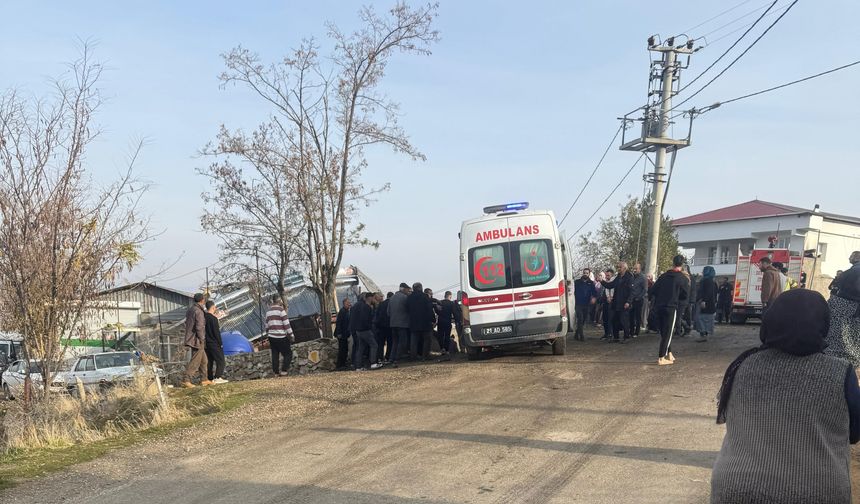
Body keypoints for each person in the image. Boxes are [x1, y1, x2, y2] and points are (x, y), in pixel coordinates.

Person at [711, 289, 860, 503]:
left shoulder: (743, 364)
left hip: (736, 488)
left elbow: (731, 419)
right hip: (816, 491)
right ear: (823, 325)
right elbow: (854, 433)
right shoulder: (840, 371)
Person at [649, 255, 689, 366]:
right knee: (668, 332)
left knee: (664, 332)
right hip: (671, 307)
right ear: (682, 264)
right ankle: (661, 357)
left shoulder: (663, 276)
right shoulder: (683, 278)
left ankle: (669, 353)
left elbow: (653, 290)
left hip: (659, 306)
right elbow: (685, 295)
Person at [825, 252, 860, 368]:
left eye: (852, 256)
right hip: (847, 363)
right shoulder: (854, 271)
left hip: (845, 307)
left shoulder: (851, 272)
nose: (849, 257)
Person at [600, 262, 634, 343]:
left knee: (624, 320)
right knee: (614, 320)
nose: (618, 269)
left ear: (625, 268)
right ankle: (616, 337)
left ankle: (627, 337)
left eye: (620, 267)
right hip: (616, 302)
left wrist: (628, 302)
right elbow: (610, 285)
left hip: (624, 302)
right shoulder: (618, 277)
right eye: (618, 267)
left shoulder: (629, 277)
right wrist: (602, 281)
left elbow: (632, 291)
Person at [182, 293, 211, 388]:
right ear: (202, 300)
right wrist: (202, 338)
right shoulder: (198, 311)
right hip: (197, 339)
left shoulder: (191, 310)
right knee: (196, 361)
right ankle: (186, 379)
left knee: (204, 360)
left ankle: (204, 379)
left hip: (192, 338)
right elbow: (199, 327)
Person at [350, 292, 381, 370]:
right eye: (373, 298)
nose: (374, 300)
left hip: (358, 330)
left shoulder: (358, 306)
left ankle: (358, 367)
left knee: (361, 348)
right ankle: (373, 363)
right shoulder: (366, 307)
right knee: (374, 345)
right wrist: (369, 327)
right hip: (365, 330)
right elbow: (366, 319)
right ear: (369, 298)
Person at [266, 295, 295, 377]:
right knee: (288, 353)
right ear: (279, 301)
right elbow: (287, 325)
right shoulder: (281, 311)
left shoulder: (268, 312)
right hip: (281, 336)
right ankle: (284, 370)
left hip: (271, 336)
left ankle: (276, 373)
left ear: (273, 301)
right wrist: (291, 335)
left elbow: (266, 326)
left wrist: (268, 334)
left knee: (275, 354)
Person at [407, 282, 435, 360]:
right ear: (421, 288)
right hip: (425, 322)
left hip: (413, 322)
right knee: (427, 339)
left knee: (414, 341)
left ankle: (413, 357)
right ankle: (425, 356)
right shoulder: (425, 296)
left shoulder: (409, 297)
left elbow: (407, 309)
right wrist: (432, 320)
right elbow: (429, 309)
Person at [204, 300, 227, 383]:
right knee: (221, 360)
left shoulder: (204, 317)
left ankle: (209, 378)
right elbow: (216, 332)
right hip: (214, 343)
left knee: (209, 361)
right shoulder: (213, 319)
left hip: (206, 343)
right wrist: (220, 343)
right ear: (213, 307)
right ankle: (217, 377)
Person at [388, 283, 411, 366]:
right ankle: (397, 358)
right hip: (403, 324)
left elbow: (388, 312)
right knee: (402, 342)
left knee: (395, 342)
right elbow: (409, 310)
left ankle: (391, 358)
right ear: (404, 289)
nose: (408, 291)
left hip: (393, 323)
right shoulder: (405, 298)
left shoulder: (392, 298)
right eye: (407, 289)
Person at [573, 268, 597, 341]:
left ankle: (577, 333)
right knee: (580, 319)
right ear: (582, 273)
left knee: (583, 320)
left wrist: (594, 298)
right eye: (584, 273)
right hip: (578, 304)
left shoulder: (591, 283)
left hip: (587, 304)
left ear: (589, 274)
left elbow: (594, 293)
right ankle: (582, 336)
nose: (585, 274)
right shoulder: (577, 282)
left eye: (587, 273)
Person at [695, 266, 717, 343]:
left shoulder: (707, 281)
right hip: (709, 304)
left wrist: (704, 301)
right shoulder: (712, 281)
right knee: (705, 319)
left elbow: (708, 292)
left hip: (705, 303)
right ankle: (704, 335)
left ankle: (703, 335)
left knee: (701, 319)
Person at [630, 263, 647, 337]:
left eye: (636, 269)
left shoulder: (643, 278)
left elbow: (645, 289)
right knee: (631, 316)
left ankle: (636, 332)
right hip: (631, 299)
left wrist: (638, 297)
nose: (634, 270)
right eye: (634, 268)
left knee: (637, 316)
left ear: (639, 269)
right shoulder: (632, 277)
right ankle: (631, 331)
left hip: (638, 300)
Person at [334, 298, 352, 370]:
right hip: (341, 334)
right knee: (342, 350)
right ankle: (340, 365)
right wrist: (339, 333)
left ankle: (343, 364)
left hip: (345, 333)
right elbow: (339, 323)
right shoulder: (342, 311)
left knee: (345, 349)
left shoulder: (347, 311)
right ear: (344, 303)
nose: (349, 304)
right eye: (348, 303)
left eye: (349, 303)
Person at [438, 291, 457, 357]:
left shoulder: (440, 302)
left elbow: (437, 311)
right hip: (447, 321)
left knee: (440, 336)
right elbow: (454, 313)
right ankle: (446, 350)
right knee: (447, 336)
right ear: (450, 296)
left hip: (440, 321)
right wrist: (455, 320)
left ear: (444, 295)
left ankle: (441, 349)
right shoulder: (451, 303)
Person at [599, 270, 614, 339]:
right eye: (606, 275)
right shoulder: (604, 283)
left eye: (608, 275)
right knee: (605, 319)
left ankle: (610, 333)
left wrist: (611, 297)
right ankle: (606, 333)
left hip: (612, 303)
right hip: (605, 302)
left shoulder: (614, 282)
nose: (607, 277)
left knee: (610, 319)